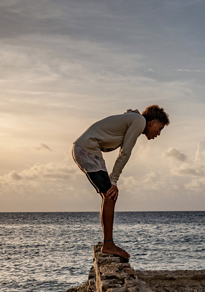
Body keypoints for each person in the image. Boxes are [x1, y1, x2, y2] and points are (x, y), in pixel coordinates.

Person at [72, 105, 169, 260]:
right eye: (160, 128)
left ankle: (108, 243)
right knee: (110, 195)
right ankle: (108, 244)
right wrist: (114, 180)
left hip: (86, 149)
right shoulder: (138, 121)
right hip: (88, 149)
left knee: (108, 196)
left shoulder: (135, 119)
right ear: (151, 122)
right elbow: (125, 152)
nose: (159, 133)